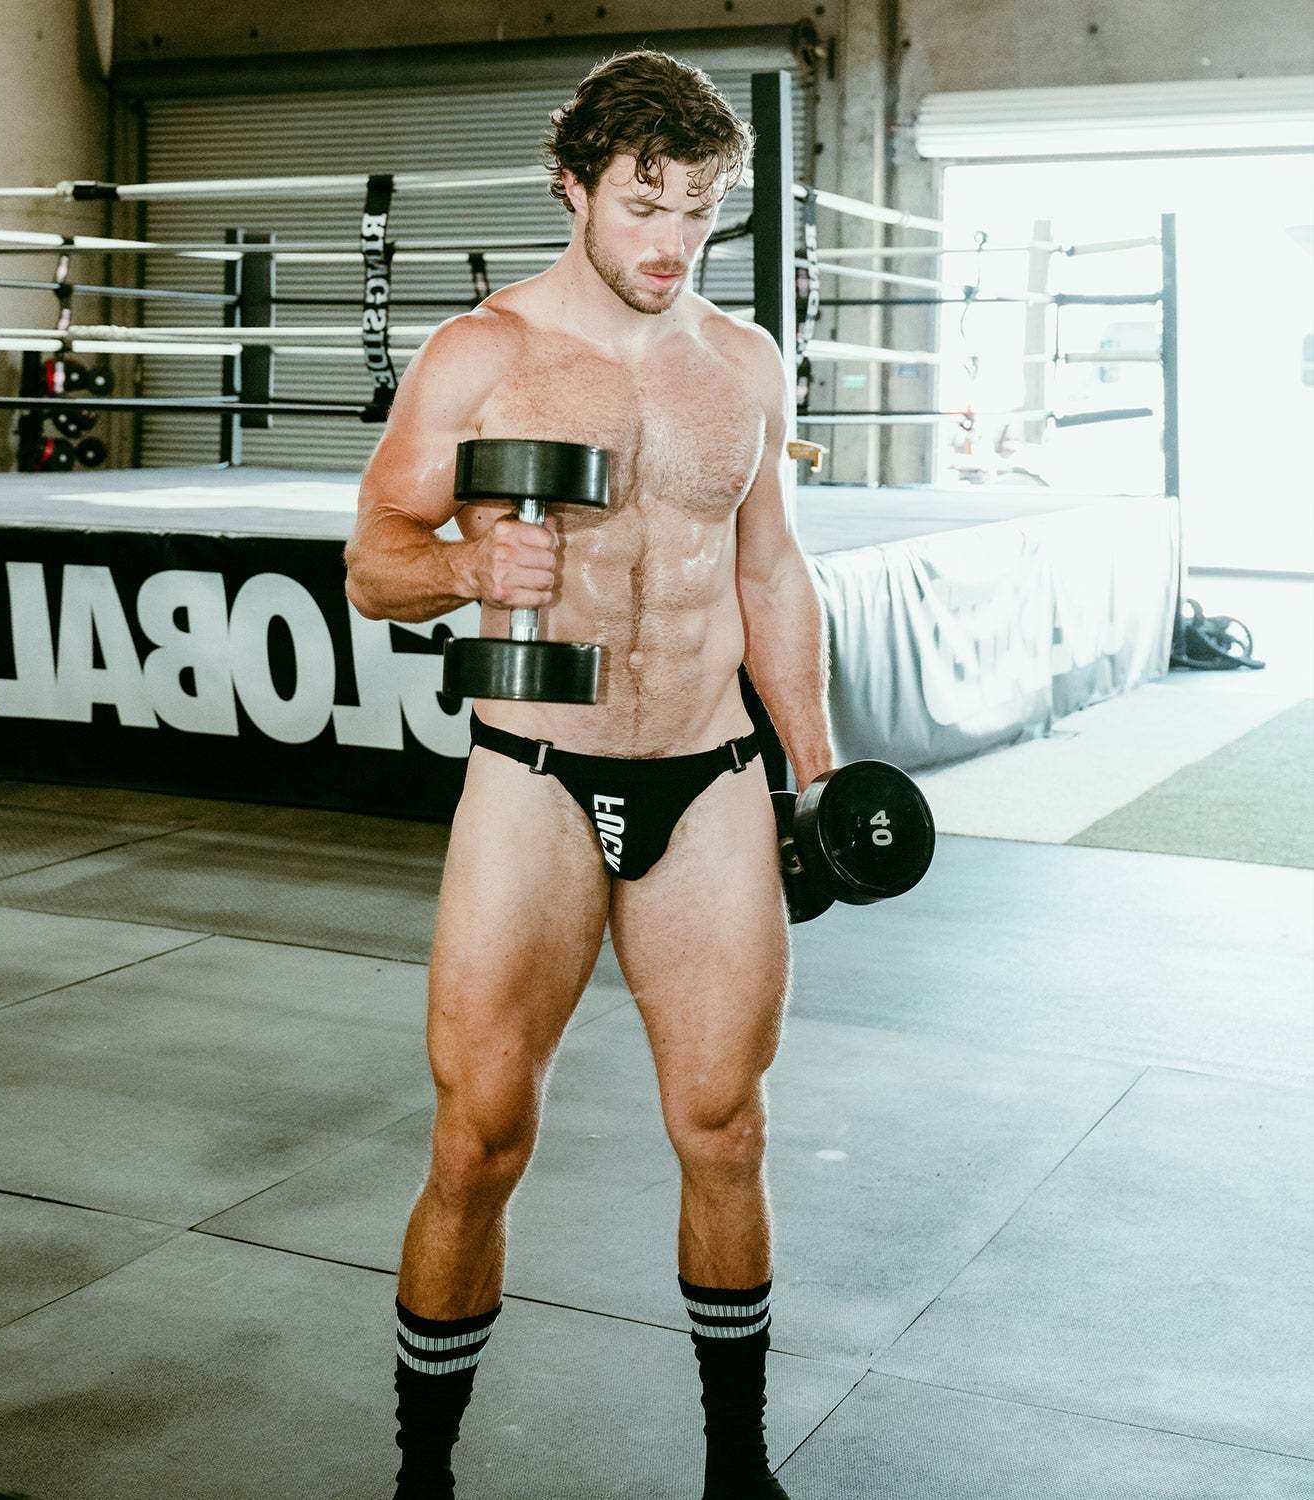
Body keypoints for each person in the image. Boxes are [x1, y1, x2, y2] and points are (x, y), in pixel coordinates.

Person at [343, 47, 833, 1500]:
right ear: (573, 189)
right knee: (480, 1139)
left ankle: (737, 1472)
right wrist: (465, 567)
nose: (672, 240)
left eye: (699, 207)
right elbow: (374, 562)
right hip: (537, 773)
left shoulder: (744, 364)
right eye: (642, 202)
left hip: (709, 773)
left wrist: (816, 767)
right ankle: (423, 1480)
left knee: (725, 1130)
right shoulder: (481, 355)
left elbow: (770, 570)